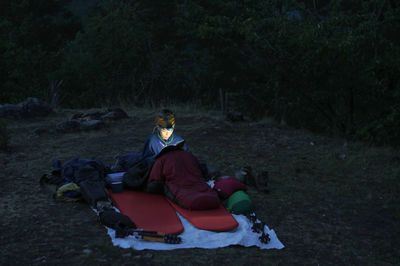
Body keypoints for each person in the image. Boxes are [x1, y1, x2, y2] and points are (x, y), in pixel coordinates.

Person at [144, 109, 220, 210]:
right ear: (158, 127)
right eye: (164, 129)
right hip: (163, 166)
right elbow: (145, 159)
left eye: (169, 129)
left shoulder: (178, 139)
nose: (167, 133)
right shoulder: (152, 140)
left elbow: (187, 157)